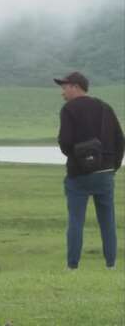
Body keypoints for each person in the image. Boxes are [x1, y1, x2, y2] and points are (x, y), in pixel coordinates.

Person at [56, 71, 124, 270]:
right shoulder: (105, 107)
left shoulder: (68, 109)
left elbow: (65, 143)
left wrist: (79, 159)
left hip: (79, 174)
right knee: (107, 220)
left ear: (76, 86)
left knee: (76, 220)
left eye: (64, 87)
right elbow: (120, 139)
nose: (62, 92)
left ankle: (72, 266)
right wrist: (113, 166)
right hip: (105, 173)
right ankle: (110, 264)